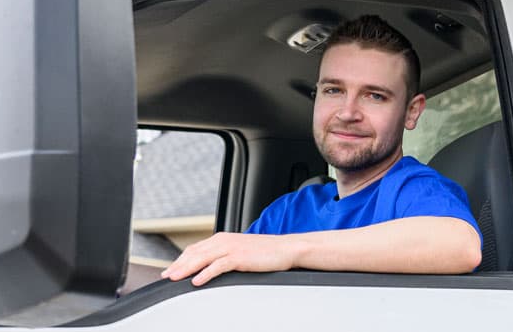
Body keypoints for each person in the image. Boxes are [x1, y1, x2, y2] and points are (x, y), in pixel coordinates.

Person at [162, 15, 482, 286]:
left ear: (412, 112)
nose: (347, 112)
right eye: (333, 90)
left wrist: (291, 251)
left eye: (374, 96)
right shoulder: (287, 212)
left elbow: (460, 246)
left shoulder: (413, 190)